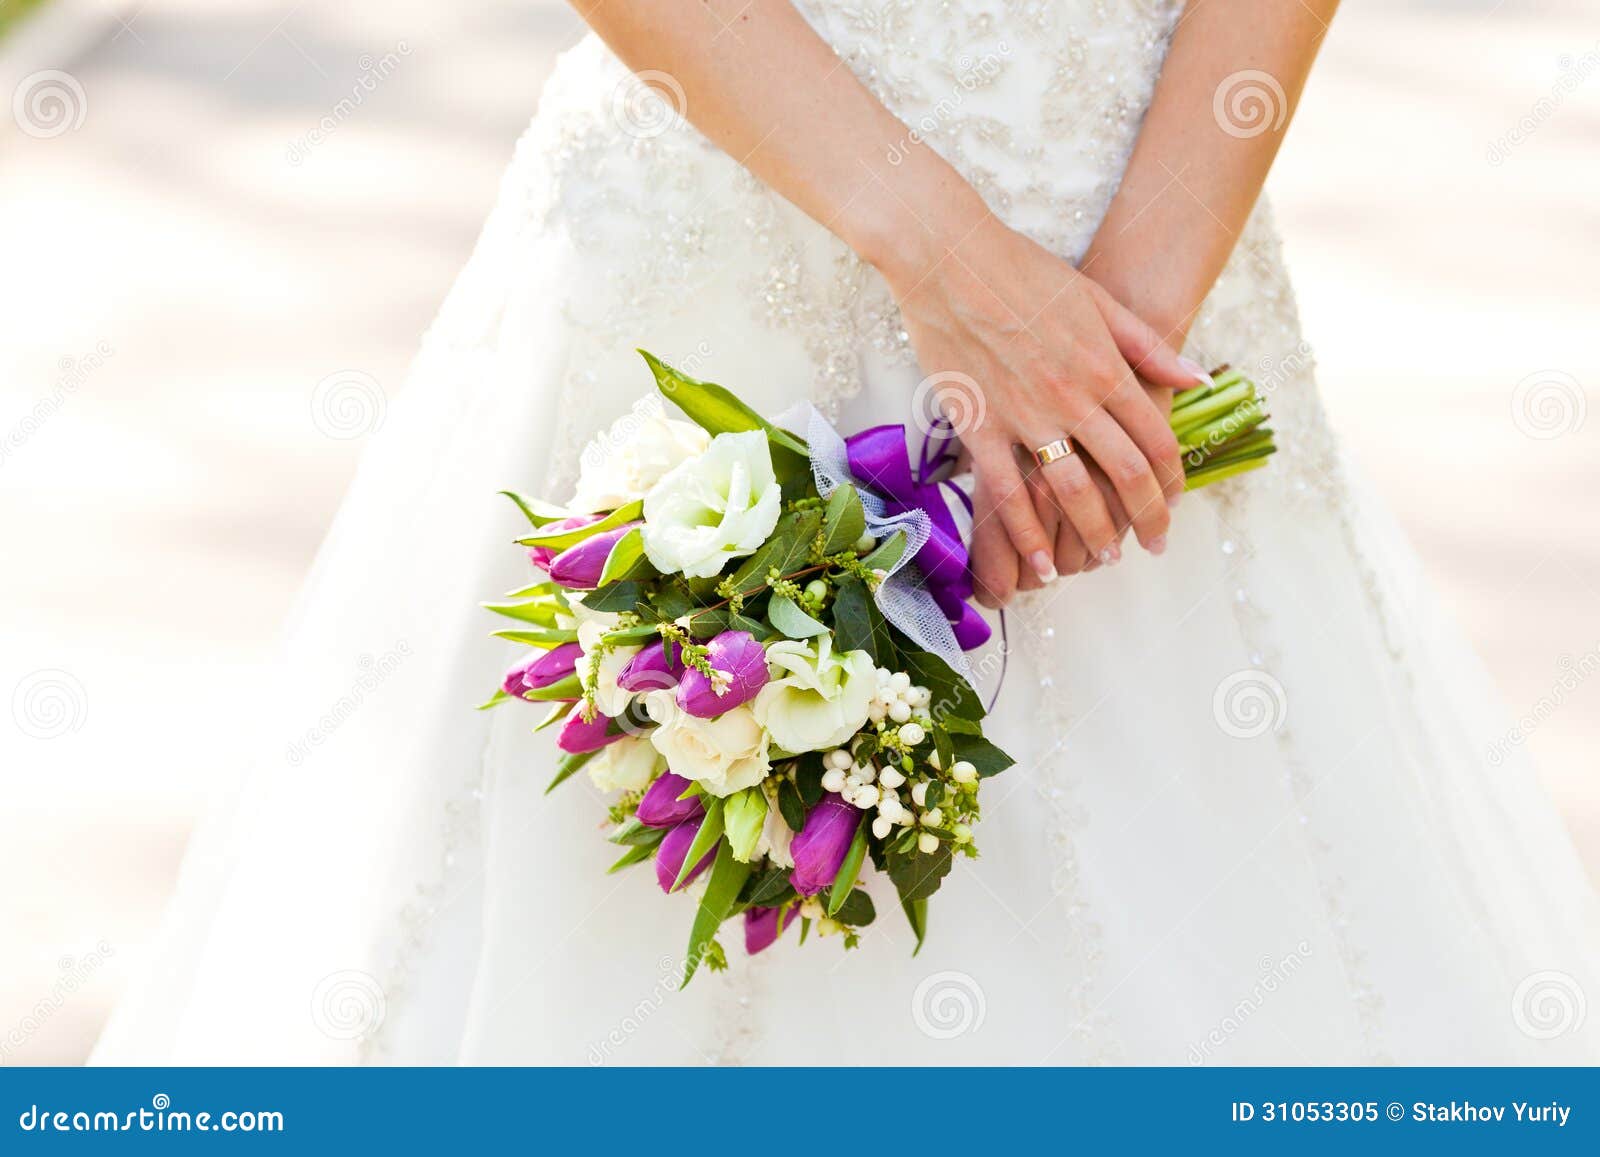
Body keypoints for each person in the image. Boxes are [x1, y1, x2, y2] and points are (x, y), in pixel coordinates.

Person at [94, 0, 1600, 1064]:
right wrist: (967, 276)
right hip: (726, 237)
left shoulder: (1124, 333)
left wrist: (1116, 338)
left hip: (1137, 274)